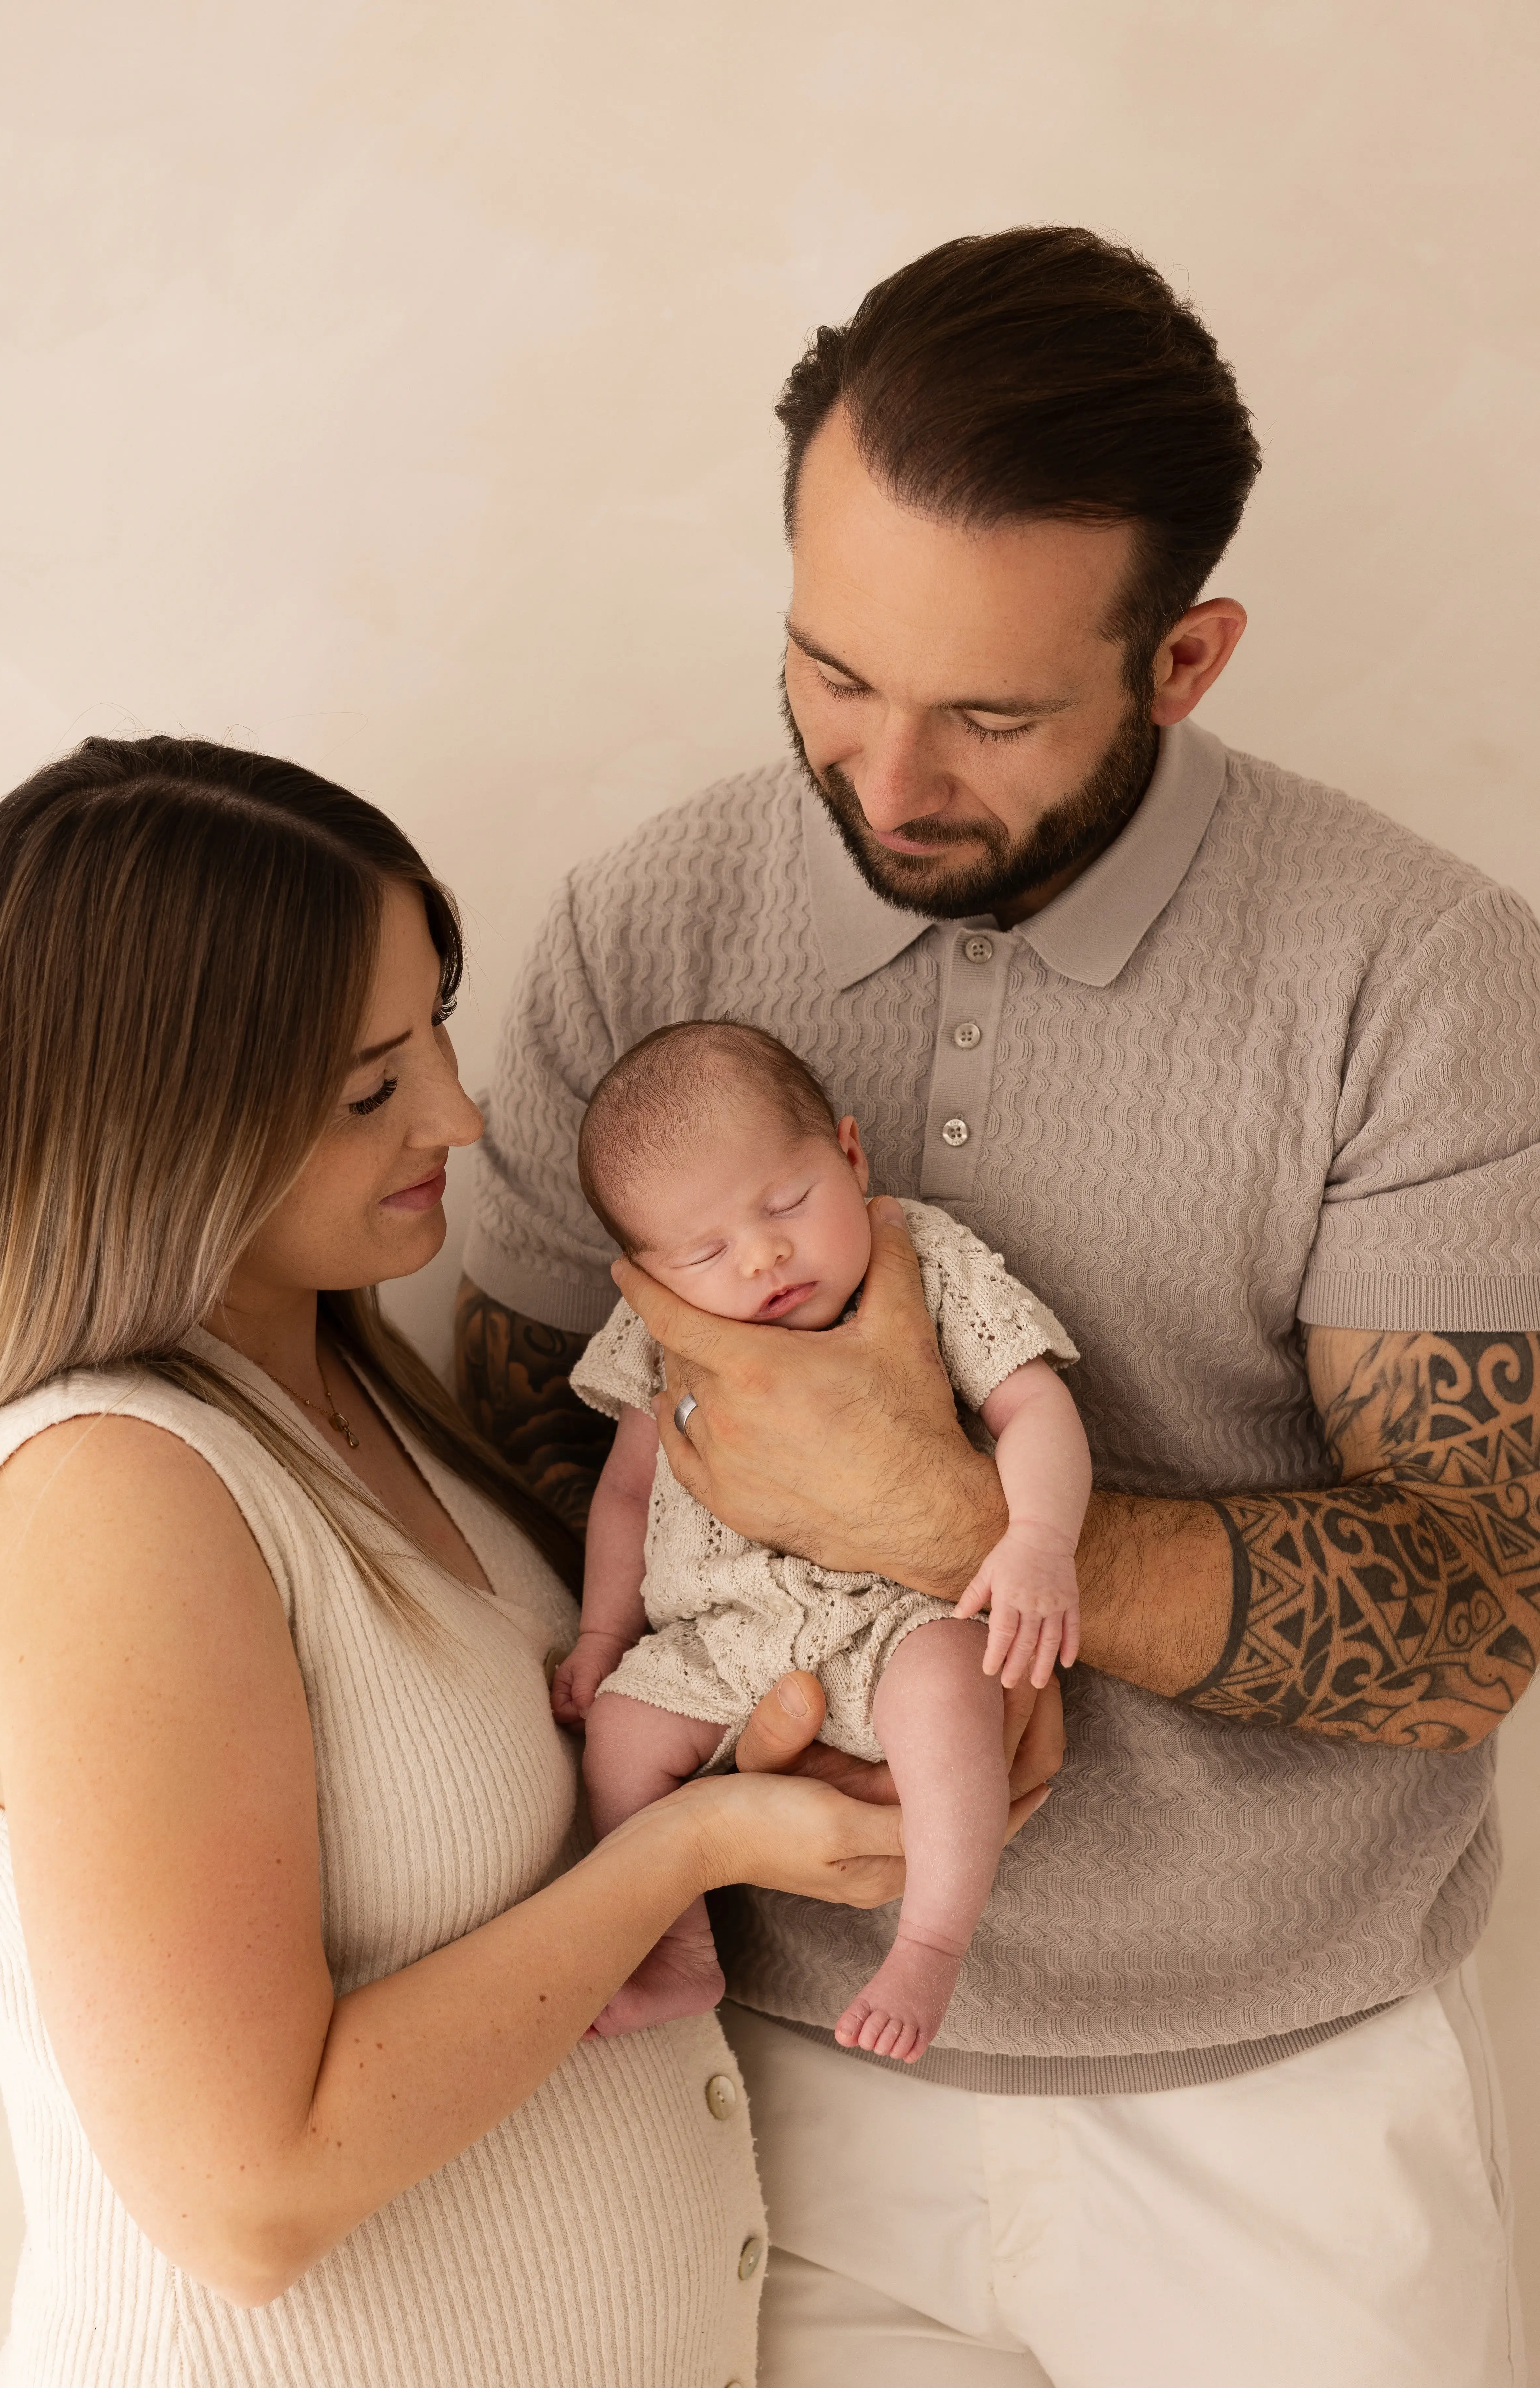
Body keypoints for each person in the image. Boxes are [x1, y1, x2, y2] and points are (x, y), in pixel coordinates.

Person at [459, 226, 1540, 2384]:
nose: (881, 779)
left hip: (1280, 2130)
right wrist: (720, 1712)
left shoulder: (1414, 977)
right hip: (740, 2099)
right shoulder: (636, 925)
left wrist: (959, 1534)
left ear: (1183, 657)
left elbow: (1473, 1612)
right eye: (830, 672)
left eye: (987, 712)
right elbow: (499, 1471)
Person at [0, 735, 927, 2388]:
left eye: (438, 1019)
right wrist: (688, 1852)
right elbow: (250, 2193)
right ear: (166, 1119)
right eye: (374, 1086)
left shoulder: (364, 1407)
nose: (464, 1110)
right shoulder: (107, 1502)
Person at [553, 1020, 1089, 2062]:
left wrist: (1037, 1539)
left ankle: (930, 1944)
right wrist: (599, 1635)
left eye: (787, 1204)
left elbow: (1034, 1407)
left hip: (902, 1612)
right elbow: (624, 1494)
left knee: (949, 1692)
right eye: (705, 1253)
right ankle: (676, 1948)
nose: (763, 1257)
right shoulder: (660, 1331)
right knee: (619, 1735)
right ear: (647, 1273)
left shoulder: (925, 1262)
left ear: (850, 1154)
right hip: (726, 1633)